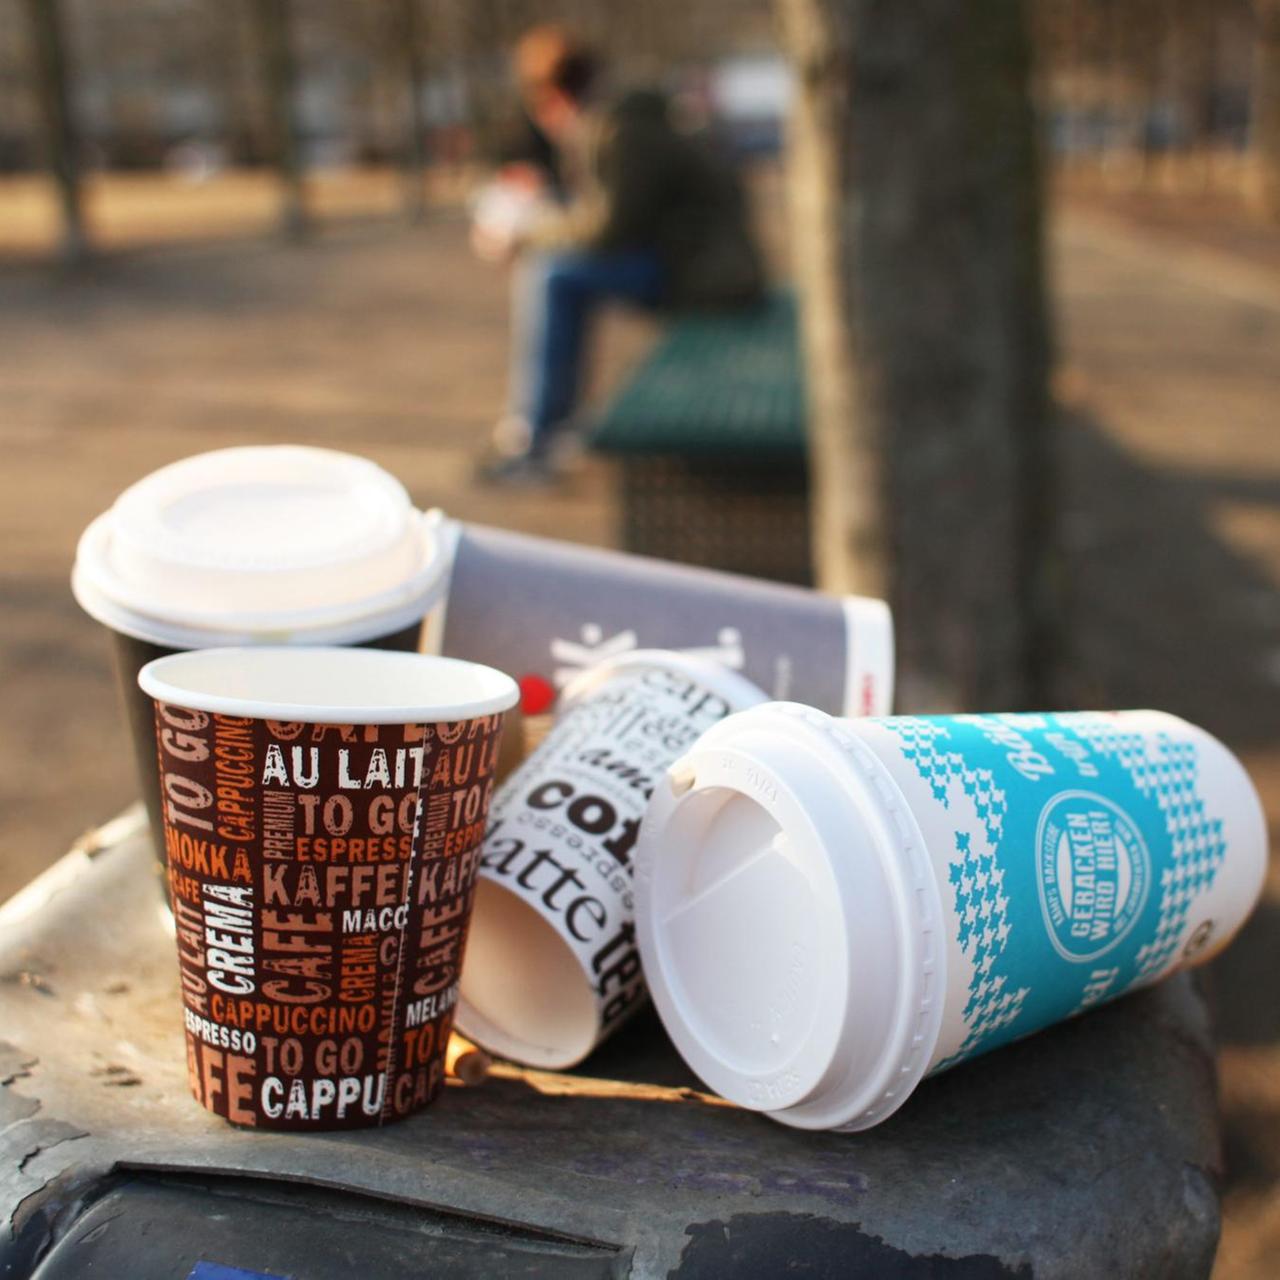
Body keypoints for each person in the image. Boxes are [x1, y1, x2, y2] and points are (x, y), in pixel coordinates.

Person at [473, 27, 765, 483]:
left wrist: (524, 232)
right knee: (557, 272)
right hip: (698, 263)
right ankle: (548, 427)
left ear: (553, 98)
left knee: (552, 275)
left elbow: (608, 230)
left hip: (711, 276)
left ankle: (537, 439)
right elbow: (611, 214)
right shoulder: (622, 121)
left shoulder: (618, 130)